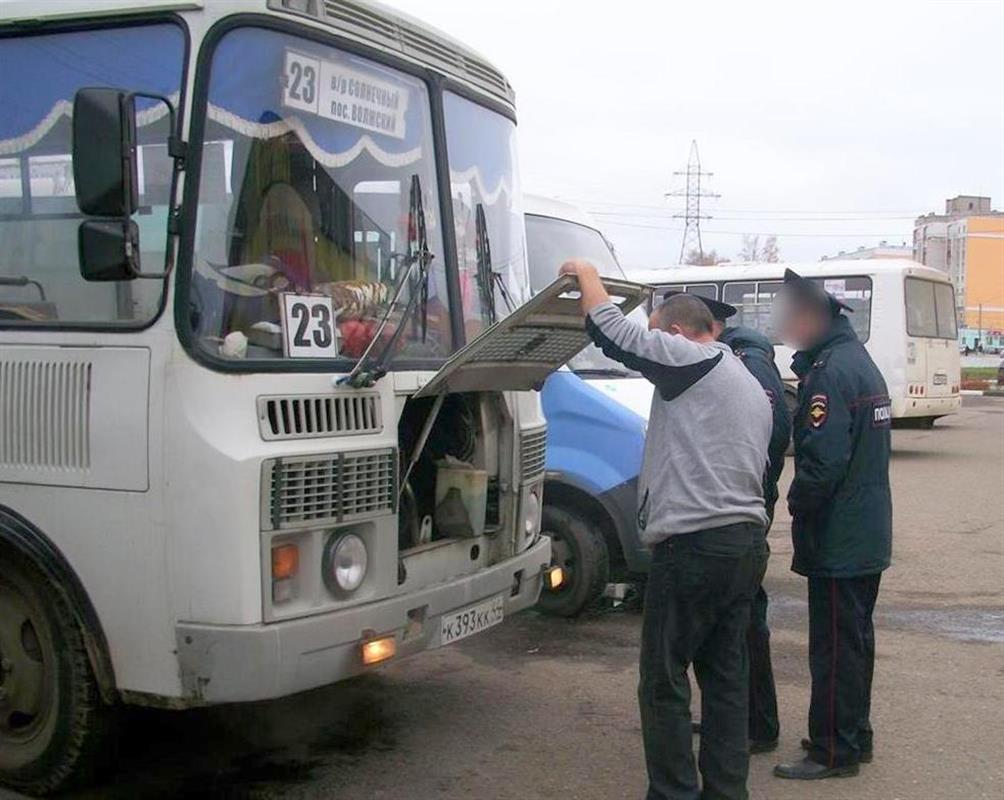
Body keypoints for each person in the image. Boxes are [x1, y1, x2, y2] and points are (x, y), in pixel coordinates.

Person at [560, 259, 771, 800]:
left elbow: (613, 332)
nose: (655, 357)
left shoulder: (693, 359)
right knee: (725, 681)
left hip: (696, 546)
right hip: (743, 545)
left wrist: (585, 272)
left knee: (664, 679)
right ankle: (726, 792)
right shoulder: (744, 380)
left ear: (676, 335)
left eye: (660, 343)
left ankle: (673, 793)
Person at [770, 268, 892, 780]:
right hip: (864, 532)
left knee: (836, 649)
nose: (787, 327)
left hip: (841, 536)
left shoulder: (828, 374)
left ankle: (833, 751)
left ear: (815, 319)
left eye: (792, 319)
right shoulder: (857, 362)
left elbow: (822, 463)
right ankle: (853, 735)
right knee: (855, 642)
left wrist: (794, 502)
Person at [672, 293, 791, 754]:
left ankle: (757, 724)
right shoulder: (736, 357)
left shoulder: (746, 361)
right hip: (742, 505)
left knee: (743, 621)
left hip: (741, 508)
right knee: (736, 620)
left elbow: (775, 430)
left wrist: (748, 483)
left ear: (711, 327)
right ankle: (741, 719)